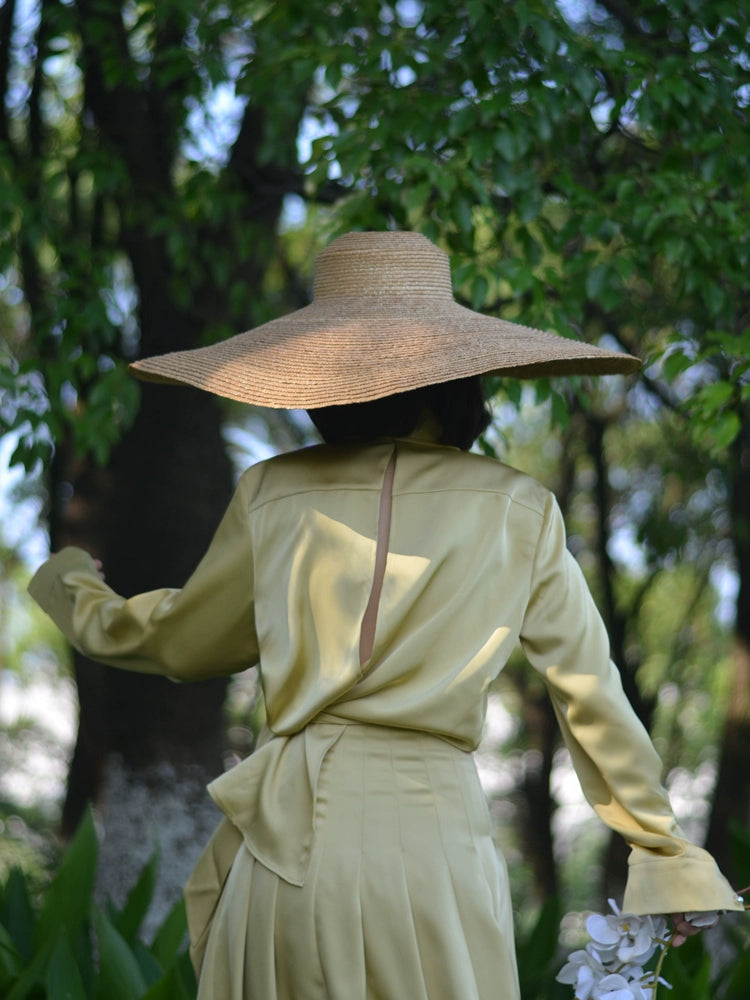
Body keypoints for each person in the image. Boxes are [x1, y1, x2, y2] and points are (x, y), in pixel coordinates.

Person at [28, 231, 742, 1000]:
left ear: (322, 380)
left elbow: (182, 642)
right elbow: (589, 694)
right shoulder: (518, 508)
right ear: (463, 376)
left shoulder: (275, 492)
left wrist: (76, 587)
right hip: (434, 845)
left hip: (286, 844)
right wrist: (663, 854)